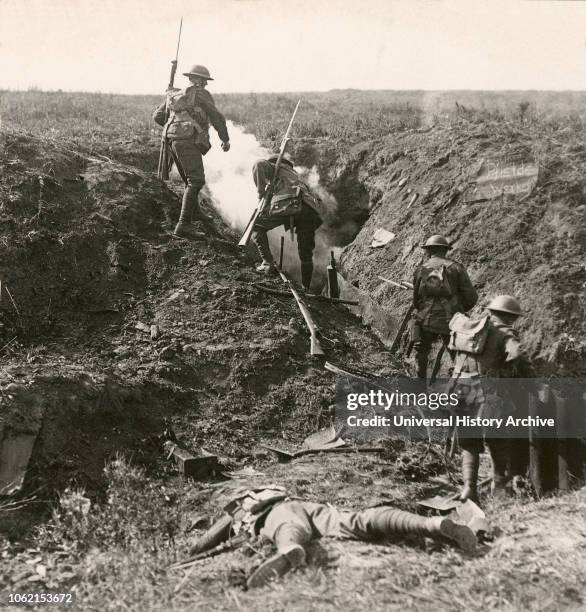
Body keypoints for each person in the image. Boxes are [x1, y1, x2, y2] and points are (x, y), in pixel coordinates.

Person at [190, 486, 476, 589]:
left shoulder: (241, 505)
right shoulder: (276, 490)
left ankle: (290, 550)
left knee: (288, 529)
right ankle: (430, 524)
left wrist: (192, 551)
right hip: (315, 509)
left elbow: (206, 541)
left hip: (277, 514)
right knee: (360, 520)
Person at [448, 295, 534, 501]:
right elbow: (518, 355)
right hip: (488, 393)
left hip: (461, 390)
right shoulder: (504, 333)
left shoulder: (470, 327)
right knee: (498, 440)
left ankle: (469, 487)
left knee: (469, 441)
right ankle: (499, 485)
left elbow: (451, 350)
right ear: (511, 318)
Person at [153, 64, 230, 238]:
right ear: (200, 80)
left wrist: (176, 128)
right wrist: (225, 139)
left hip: (171, 141)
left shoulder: (175, 94)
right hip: (187, 141)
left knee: (190, 181)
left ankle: (196, 213)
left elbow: (157, 116)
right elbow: (216, 117)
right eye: (205, 81)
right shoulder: (201, 93)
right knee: (196, 180)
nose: (206, 84)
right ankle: (183, 226)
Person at [251, 153, 323, 291]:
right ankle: (306, 288)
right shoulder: (297, 178)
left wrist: (260, 194)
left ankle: (267, 263)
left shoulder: (275, 167)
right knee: (306, 253)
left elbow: (258, 164)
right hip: (309, 210)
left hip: (288, 203)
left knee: (257, 227)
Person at [412, 235, 478, 379]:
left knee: (421, 353)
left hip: (426, 320)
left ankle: (419, 391)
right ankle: (461, 394)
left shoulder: (420, 269)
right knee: (459, 357)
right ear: (446, 251)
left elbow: (416, 300)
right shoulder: (457, 268)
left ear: (428, 251)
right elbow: (472, 297)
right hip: (452, 320)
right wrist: (459, 310)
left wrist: (424, 309)